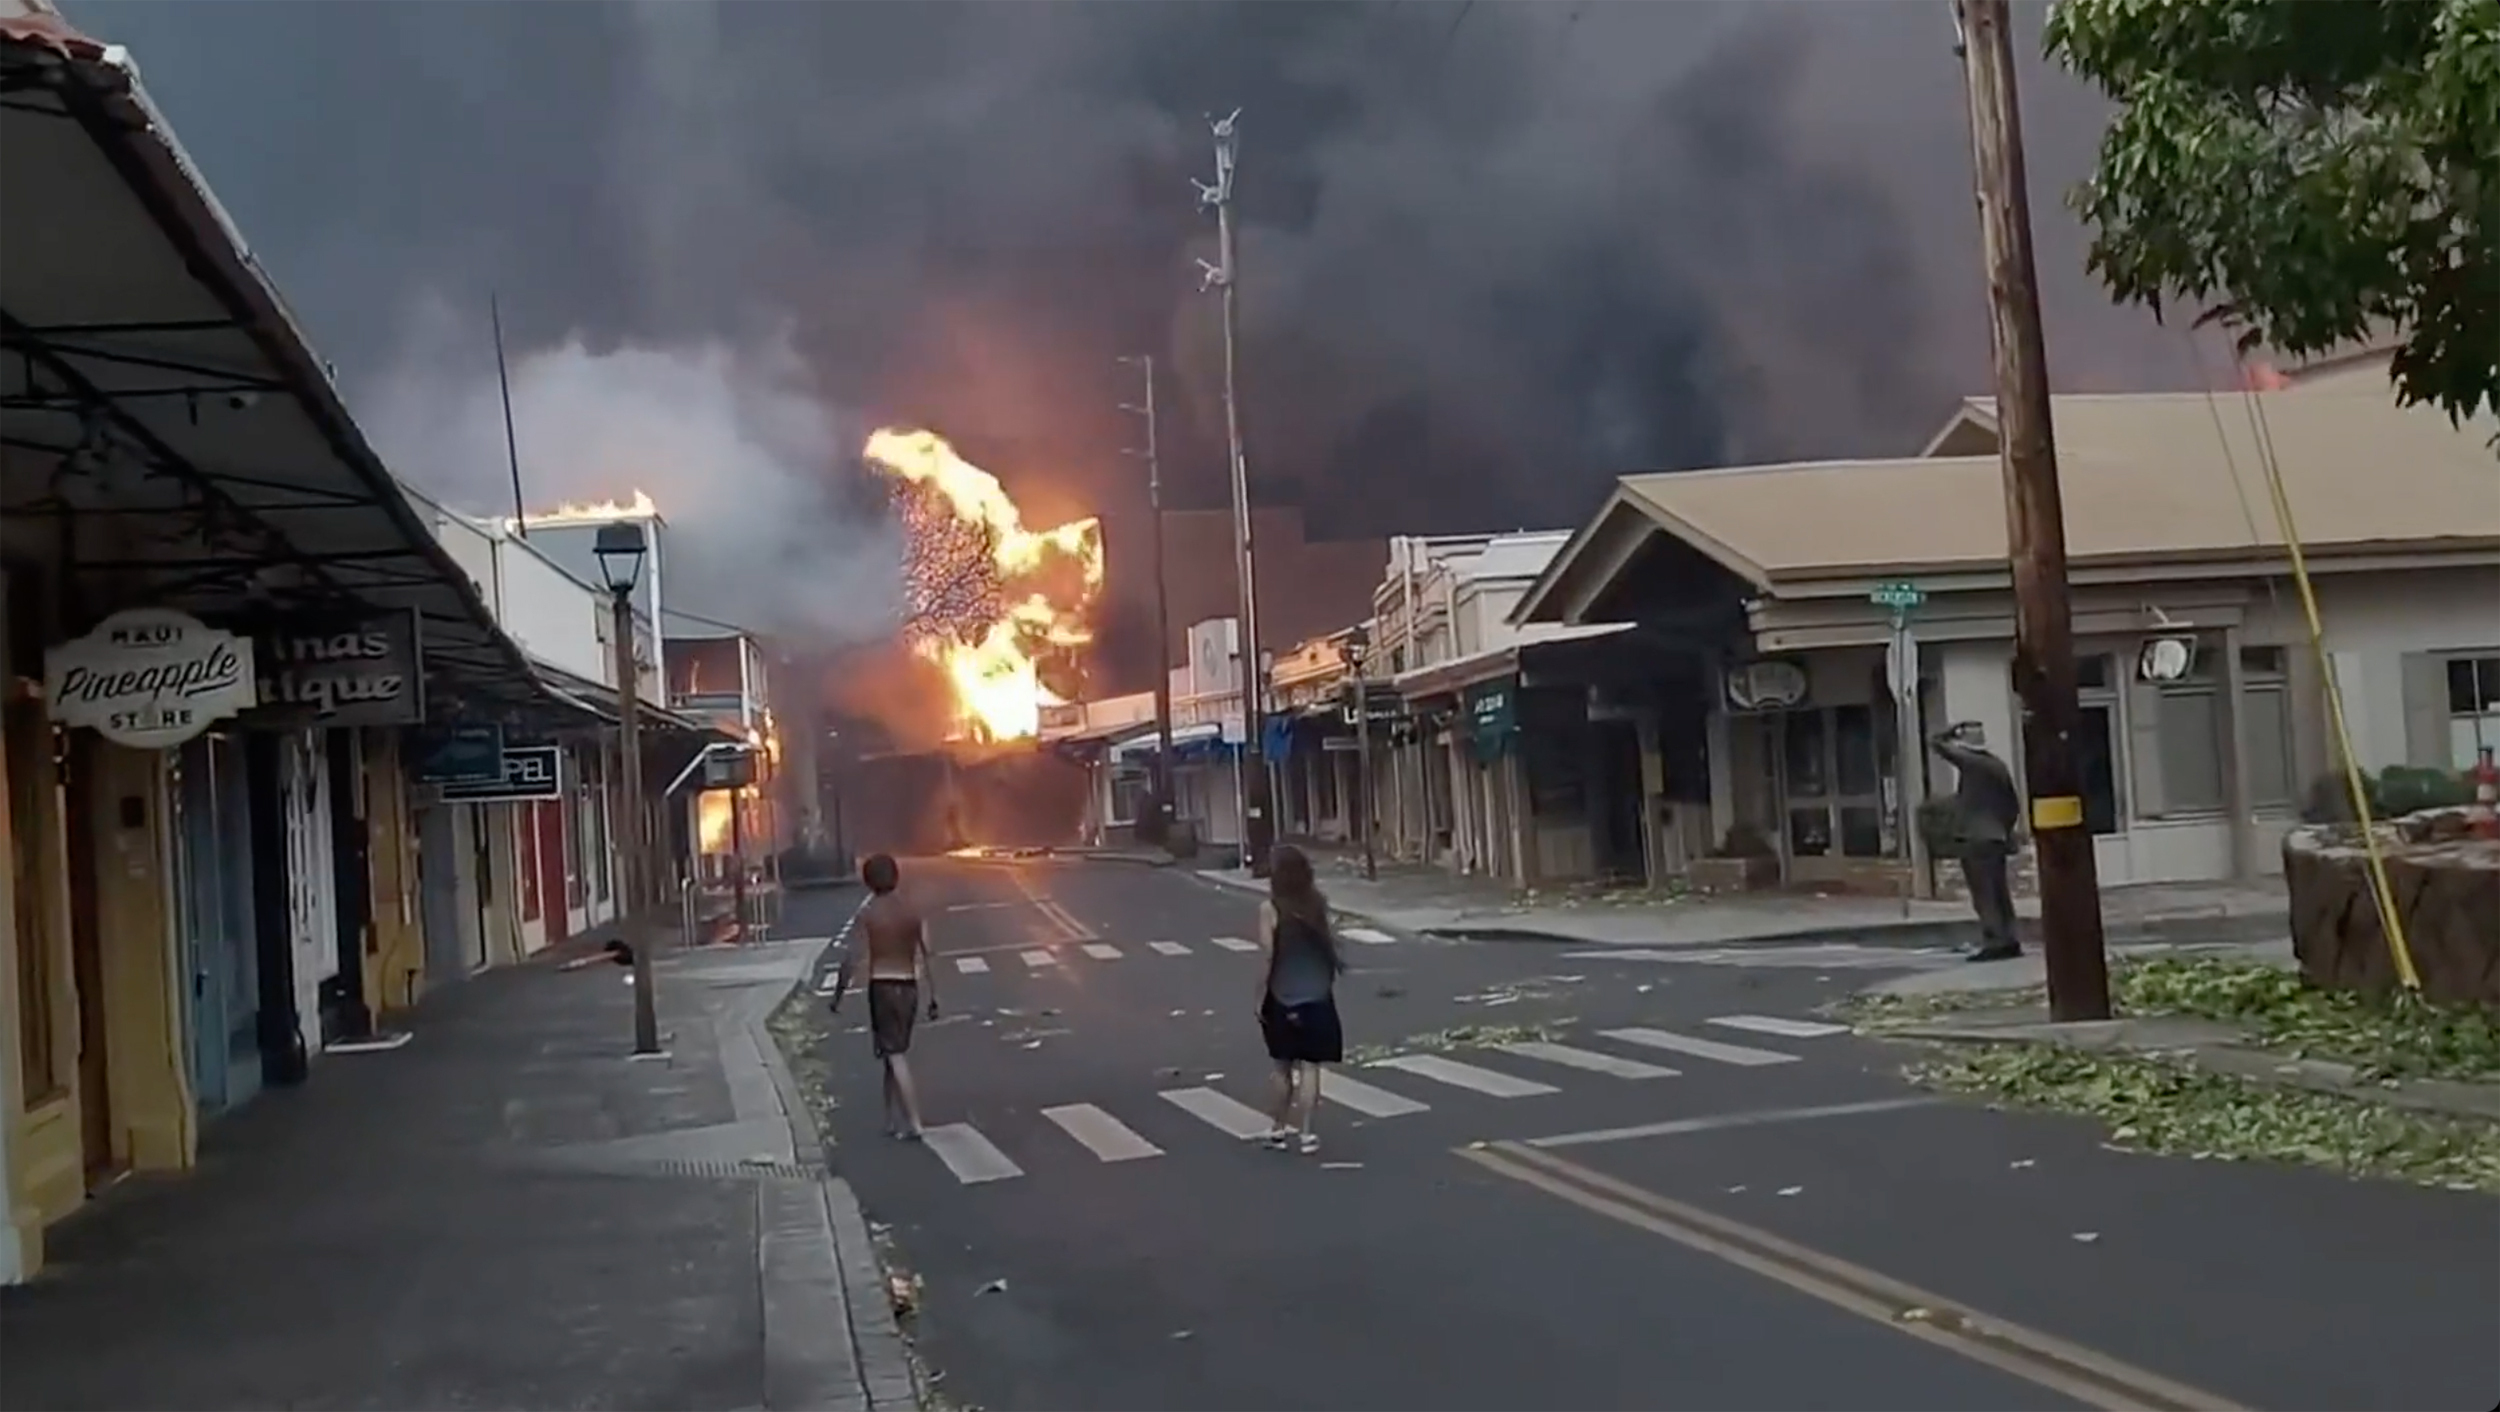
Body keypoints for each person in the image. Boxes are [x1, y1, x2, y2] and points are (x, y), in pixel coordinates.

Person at [829, 853, 940, 1140]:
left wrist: (838, 995)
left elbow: (851, 958)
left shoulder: (868, 914)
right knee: (890, 1052)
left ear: (868, 881)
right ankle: (891, 1119)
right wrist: (933, 997)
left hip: (883, 987)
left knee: (894, 1054)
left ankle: (915, 1122)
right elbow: (928, 952)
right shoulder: (913, 909)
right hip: (909, 987)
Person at [1254, 844, 1348, 1155]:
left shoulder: (1270, 909)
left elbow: (1269, 955)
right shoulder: (1317, 904)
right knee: (1310, 1068)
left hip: (1282, 996)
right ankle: (1307, 1134)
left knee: (1281, 1067)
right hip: (1318, 995)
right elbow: (1330, 944)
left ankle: (1278, 1129)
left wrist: (1260, 994)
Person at [1928, 721, 2023, 962]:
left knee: (1983, 893)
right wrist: (2003, 828)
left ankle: (1994, 941)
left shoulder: (1973, 763)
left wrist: (1950, 730)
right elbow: (2012, 804)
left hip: (1975, 838)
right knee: (2000, 891)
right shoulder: (1997, 766)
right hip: (1995, 836)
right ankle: (2010, 938)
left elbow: (1936, 744)